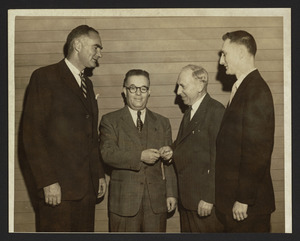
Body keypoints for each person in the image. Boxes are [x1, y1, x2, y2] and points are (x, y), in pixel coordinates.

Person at [22, 25, 107, 232]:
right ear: (77, 45)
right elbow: (32, 135)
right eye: (96, 47)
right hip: (57, 191)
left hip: (86, 190)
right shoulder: (44, 77)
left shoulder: (88, 84)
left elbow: (91, 136)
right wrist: (48, 181)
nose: (100, 54)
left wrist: (98, 174)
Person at [99, 69, 178, 232]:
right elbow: (107, 154)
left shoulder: (163, 122)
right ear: (124, 90)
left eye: (143, 89)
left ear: (149, 92)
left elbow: (168, 164)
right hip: (123, 203)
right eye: (133, 88)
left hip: (156, 203)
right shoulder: (110, 120)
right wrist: (140, 156)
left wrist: (171, 192)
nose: (138, 93)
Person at [215, 30, 275, 232]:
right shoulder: (243, 87)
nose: (221, 61)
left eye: (224, 54)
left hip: (247, 206)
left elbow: (257, 152)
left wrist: (243, 198)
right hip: (236, 202)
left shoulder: (256, 90)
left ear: (241, 53)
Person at [160, 64, 225, 232]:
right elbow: (187, 144)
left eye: (183, 86)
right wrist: (172, 150)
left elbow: (219, 158)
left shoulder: (216, 111)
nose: (178, 92)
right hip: (188, 200)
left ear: (200, 86)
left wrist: (209, 198)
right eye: (178, 86)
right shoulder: (190, 112)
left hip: (204, 202)